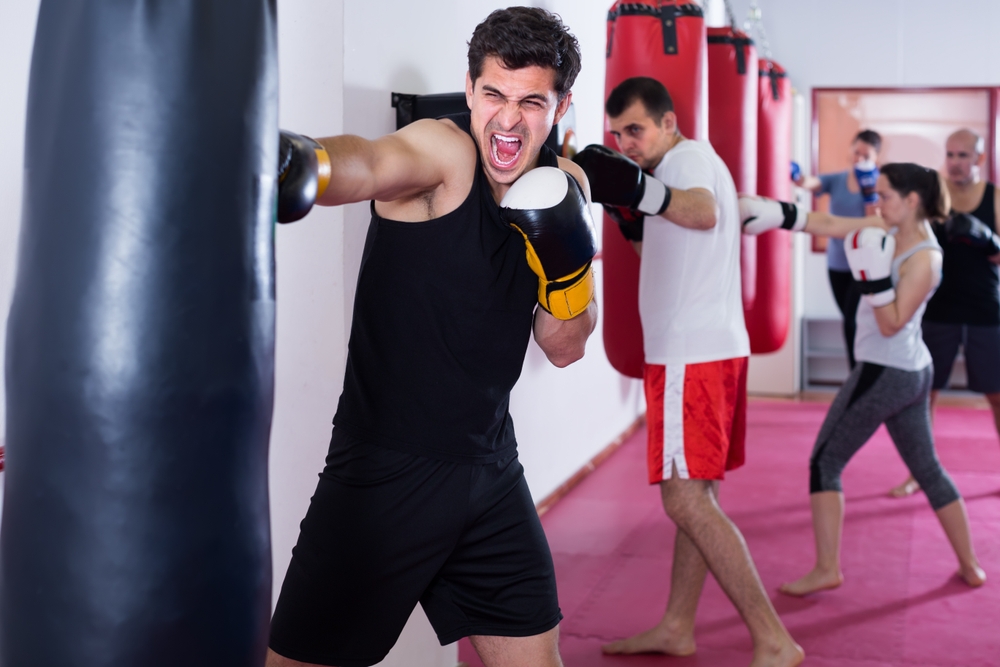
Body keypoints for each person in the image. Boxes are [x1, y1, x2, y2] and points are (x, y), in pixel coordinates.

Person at [266, 8, 599, 667]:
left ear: (561, 104)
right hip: (386, 475)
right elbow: (375, 161)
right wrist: (308, 162)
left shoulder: (566, 187)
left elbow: (565, 345)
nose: (508, 120)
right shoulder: (444, 155)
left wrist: (568, 274)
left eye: (532, 101)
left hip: (491, 473)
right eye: (494, 95)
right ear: (470, 89)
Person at [573, 76, 804, 667]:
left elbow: (698, 215)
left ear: (669, 123)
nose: (626, 143)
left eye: (636, 130)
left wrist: (640, 193)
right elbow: (671, 247)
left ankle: (773, 638)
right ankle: (678, 625)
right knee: (699, 495)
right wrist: (629, 212)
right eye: (618, 133)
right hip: (715, 349)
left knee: (684, 501)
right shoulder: (686, 167)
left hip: (690, 358)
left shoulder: (685, 161)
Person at [742, 164, 987, 596]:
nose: (877, 201)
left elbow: (891, 323)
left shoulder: (926, 259)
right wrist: (779, 214)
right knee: (927, 469)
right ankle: (970, 565)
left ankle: (827, 568)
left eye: (886, 194)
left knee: (825, 462)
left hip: (886, 370)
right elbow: (832, 223)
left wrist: (873, 280)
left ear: (912, 200)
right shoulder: (886, 227)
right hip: (910, 369)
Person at [890, 128, 1000, 497]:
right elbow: (907, 237)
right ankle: (919, 473)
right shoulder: (933, 198)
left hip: (986, 308)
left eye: (963, 156)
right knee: (926, 394)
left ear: (979, 159)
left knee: (997, 396)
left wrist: (990, 239)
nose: (954, 163)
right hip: (937, 308)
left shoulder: (995, 198)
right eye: (950, 155)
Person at [793, 130, 882, 369]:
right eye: (857, 152)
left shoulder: (881, 182)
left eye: (866, 154)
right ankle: (858, 372)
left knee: (855, 320)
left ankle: (860, 373)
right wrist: (797, 175)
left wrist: (869, 190)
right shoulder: (838, 179)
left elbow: (875, 222)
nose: (859, 158)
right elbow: (813, 183)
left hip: (866, 263)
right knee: (849, 318)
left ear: (876, 157)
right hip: (838, 261)